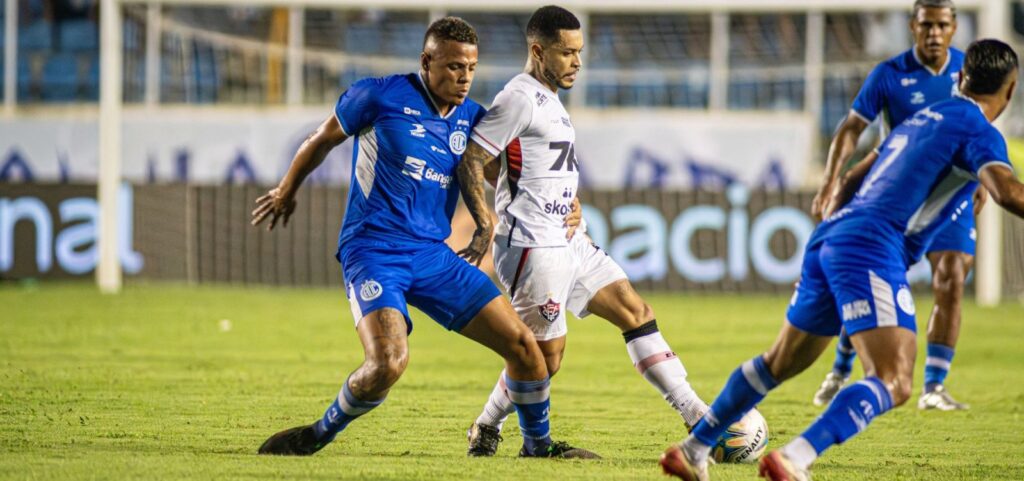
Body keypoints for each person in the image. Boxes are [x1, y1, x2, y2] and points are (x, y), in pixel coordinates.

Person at [660, 39, 1023, 481]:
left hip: (834, 235)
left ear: (961, 78)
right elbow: (1008, 192)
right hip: (873, 246)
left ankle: (694, 449)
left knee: (780, 362)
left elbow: (852, 177)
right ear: (1010, 89)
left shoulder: (919, 119)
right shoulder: (981, 132)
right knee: (894, 379)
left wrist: (837, 226)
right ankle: (794, 457)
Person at [251, 16, 594, 459]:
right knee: (387, 364)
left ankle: (538, 447)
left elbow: (515, 180)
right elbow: (322, 138)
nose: (464, 77)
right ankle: (319, 432)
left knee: (527, 350)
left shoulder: (472, 119)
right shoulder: (378, 96)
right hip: (373, 250)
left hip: (434, 256)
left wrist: (566, 202)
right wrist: (286, 190)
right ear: (426, 61)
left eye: (471, 68)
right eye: (453, 66)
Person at [457, 5, 716, 457]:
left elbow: (515, 167)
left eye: (580, 52)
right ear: (538, 51)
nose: (577, 61)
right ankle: (488, 426)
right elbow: (472, 158)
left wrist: (562, 198)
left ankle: (701, 420)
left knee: (635, 310)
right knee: (544, 359)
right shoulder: (519, 98)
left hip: (570, 237)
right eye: (566, 52)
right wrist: (485, 222)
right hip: (534, 246)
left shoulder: (550, 99)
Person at [810, 0, 980, 410]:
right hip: (895, 199)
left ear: (954, 27)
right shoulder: (889, 74)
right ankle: (841, 366)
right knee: (872, 280)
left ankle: (934, 387)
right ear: (912, 26)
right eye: (927, 25)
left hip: (950, 194)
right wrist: (831, 180)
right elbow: (852, 128)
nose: (934, 33)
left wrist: (985, 177)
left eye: (942, 25)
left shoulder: (968, 72)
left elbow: (983, 126)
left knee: (952, 276)